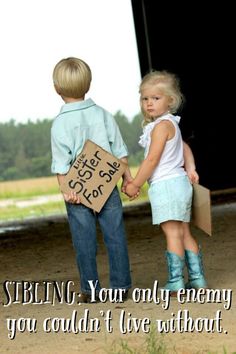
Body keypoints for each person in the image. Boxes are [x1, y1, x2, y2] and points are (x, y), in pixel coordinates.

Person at [51, 57, 132, 302]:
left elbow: (61, 165)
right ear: (88, 84)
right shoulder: (104, 115)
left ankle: (91, 290)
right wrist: (128, 179)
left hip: (78, 190)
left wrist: (67, 190)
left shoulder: (60, 124)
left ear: (56, 88)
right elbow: (120, 152)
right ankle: (120, 286)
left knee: (83, 240)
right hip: (107, 186)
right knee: (115, 235)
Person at [125, 70, 207, 294]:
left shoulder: (161, 127)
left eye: (156, 98)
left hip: (166, 186)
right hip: (180, 183)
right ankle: (198, 279)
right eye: (145, 98)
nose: (149, 103)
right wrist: (190, 168)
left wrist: (135, 184)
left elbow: (152, 160)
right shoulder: (171, 124)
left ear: (170, 101)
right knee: (185, 232)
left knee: (172, 234)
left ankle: (176, 281)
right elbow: (185, 147)